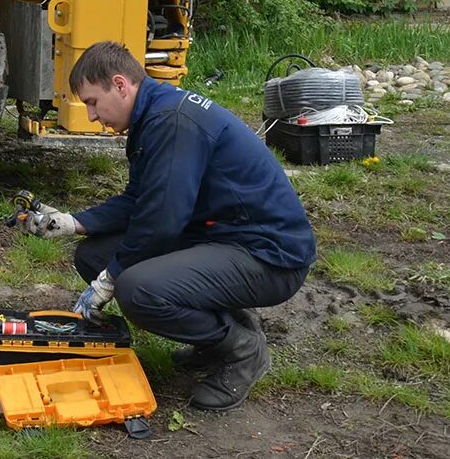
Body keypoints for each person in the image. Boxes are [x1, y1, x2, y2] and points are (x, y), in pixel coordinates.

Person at [19, 40, 316, 411]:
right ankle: (219, 334)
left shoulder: (170, 121)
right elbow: (139, 200)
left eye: (93, 102)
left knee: (138, 290)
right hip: (222, 237)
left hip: (269, 255)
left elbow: (162, 221)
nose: (92, 116)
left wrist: (111, 278)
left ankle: (243, 350)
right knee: (94, 255)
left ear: (120, 85)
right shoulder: (153, 116)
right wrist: (74, 223)